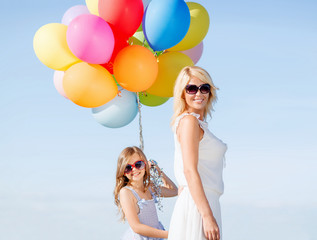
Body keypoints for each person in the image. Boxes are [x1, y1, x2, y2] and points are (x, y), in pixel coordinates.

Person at [168, 66, 227, 240]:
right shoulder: (189, 122)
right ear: (182, 93)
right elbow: (189, 170)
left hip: (205, 202)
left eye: (204, 88)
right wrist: (207, 216)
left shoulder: (197, 124)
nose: (199, 94)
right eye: (191, 88)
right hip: (200, 207)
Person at [114, 146, 178, 240]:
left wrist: (156, 168)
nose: (134, 170)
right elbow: (136, 227)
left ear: (145, 165)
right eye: (128, 168)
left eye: (138, 164)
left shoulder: (149, 188)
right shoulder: (126, 192)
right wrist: (168, 234)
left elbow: (174, 190)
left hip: (157, 236)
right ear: (123, 172)